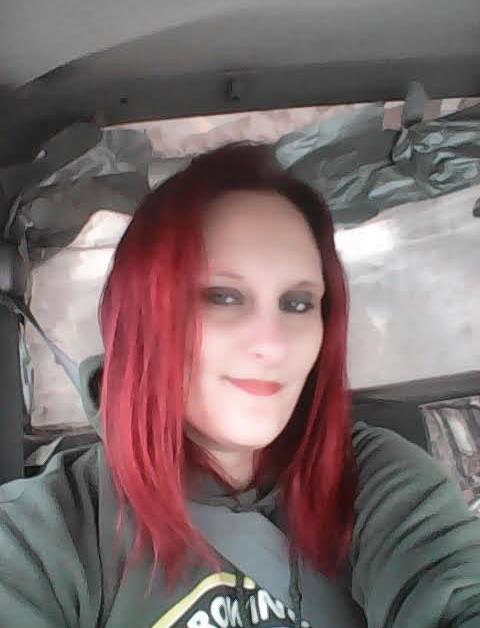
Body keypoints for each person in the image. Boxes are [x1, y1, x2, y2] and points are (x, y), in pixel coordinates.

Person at [1, 143, 480, 628]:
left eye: (297, 303)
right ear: (143, 318)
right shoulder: (49, 536)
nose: (273, 345)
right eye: (223, 297)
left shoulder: (375, 480)